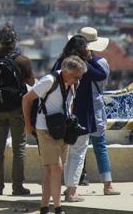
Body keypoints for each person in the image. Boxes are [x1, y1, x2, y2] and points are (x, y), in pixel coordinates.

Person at [52, 31, 113, 201]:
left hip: (60, 115)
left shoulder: (61, 62)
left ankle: (66, 188)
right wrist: (89, 57)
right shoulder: (83, 65)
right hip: (81, 117)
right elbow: (101, 74)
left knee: (64, 154)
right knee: (77, 154)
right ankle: (72, 191)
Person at [23, 55, 87, 214]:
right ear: (66, 72)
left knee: (49, 170)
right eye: (76, 76)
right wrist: (27, 124)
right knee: (57, 168)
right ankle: (57, 208)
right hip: (45, 129)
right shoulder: (49, 81)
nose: (78, 79)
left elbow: (68, 104)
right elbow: (26, 99)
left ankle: (44, 207)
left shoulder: (73, 83)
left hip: (61, 130)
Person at [0, 24, 34, 196]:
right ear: (15, 41)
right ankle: (17, 186)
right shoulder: (23, 61)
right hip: (16, 108)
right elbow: (32, 83)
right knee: (18, 147)